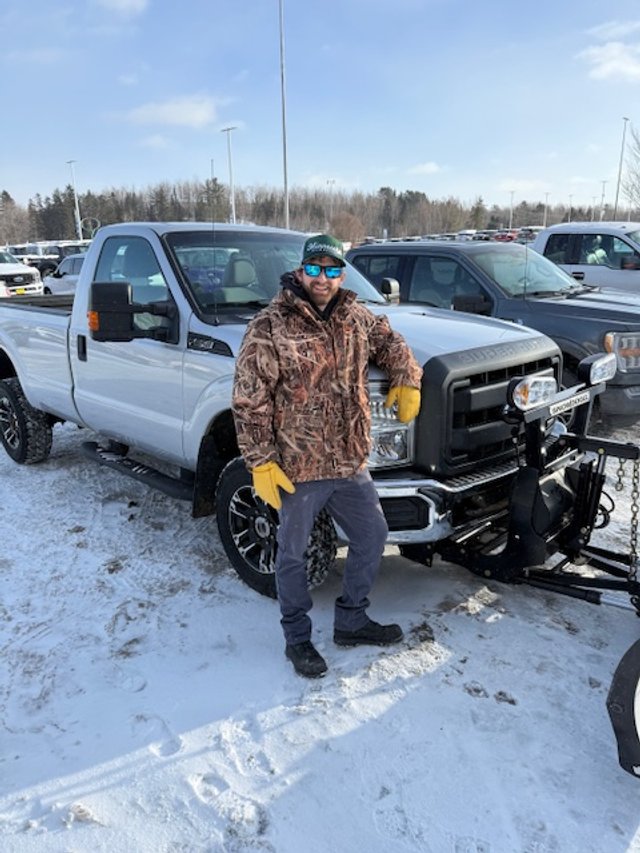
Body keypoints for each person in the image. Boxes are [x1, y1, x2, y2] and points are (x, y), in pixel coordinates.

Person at [232, 234, 423, 678]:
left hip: (350, 460)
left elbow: (392, 344)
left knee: (373, 535)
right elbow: (249, 398)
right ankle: (297, 638)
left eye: (333, 269)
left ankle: (352, 619)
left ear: (342, 273)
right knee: (293, 554)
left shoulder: (355, 316)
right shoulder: (269, 325)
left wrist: (407, 377)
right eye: (315, 268)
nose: (324, 278)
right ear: (300, 271)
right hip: (299, 464)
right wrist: (260, 459)